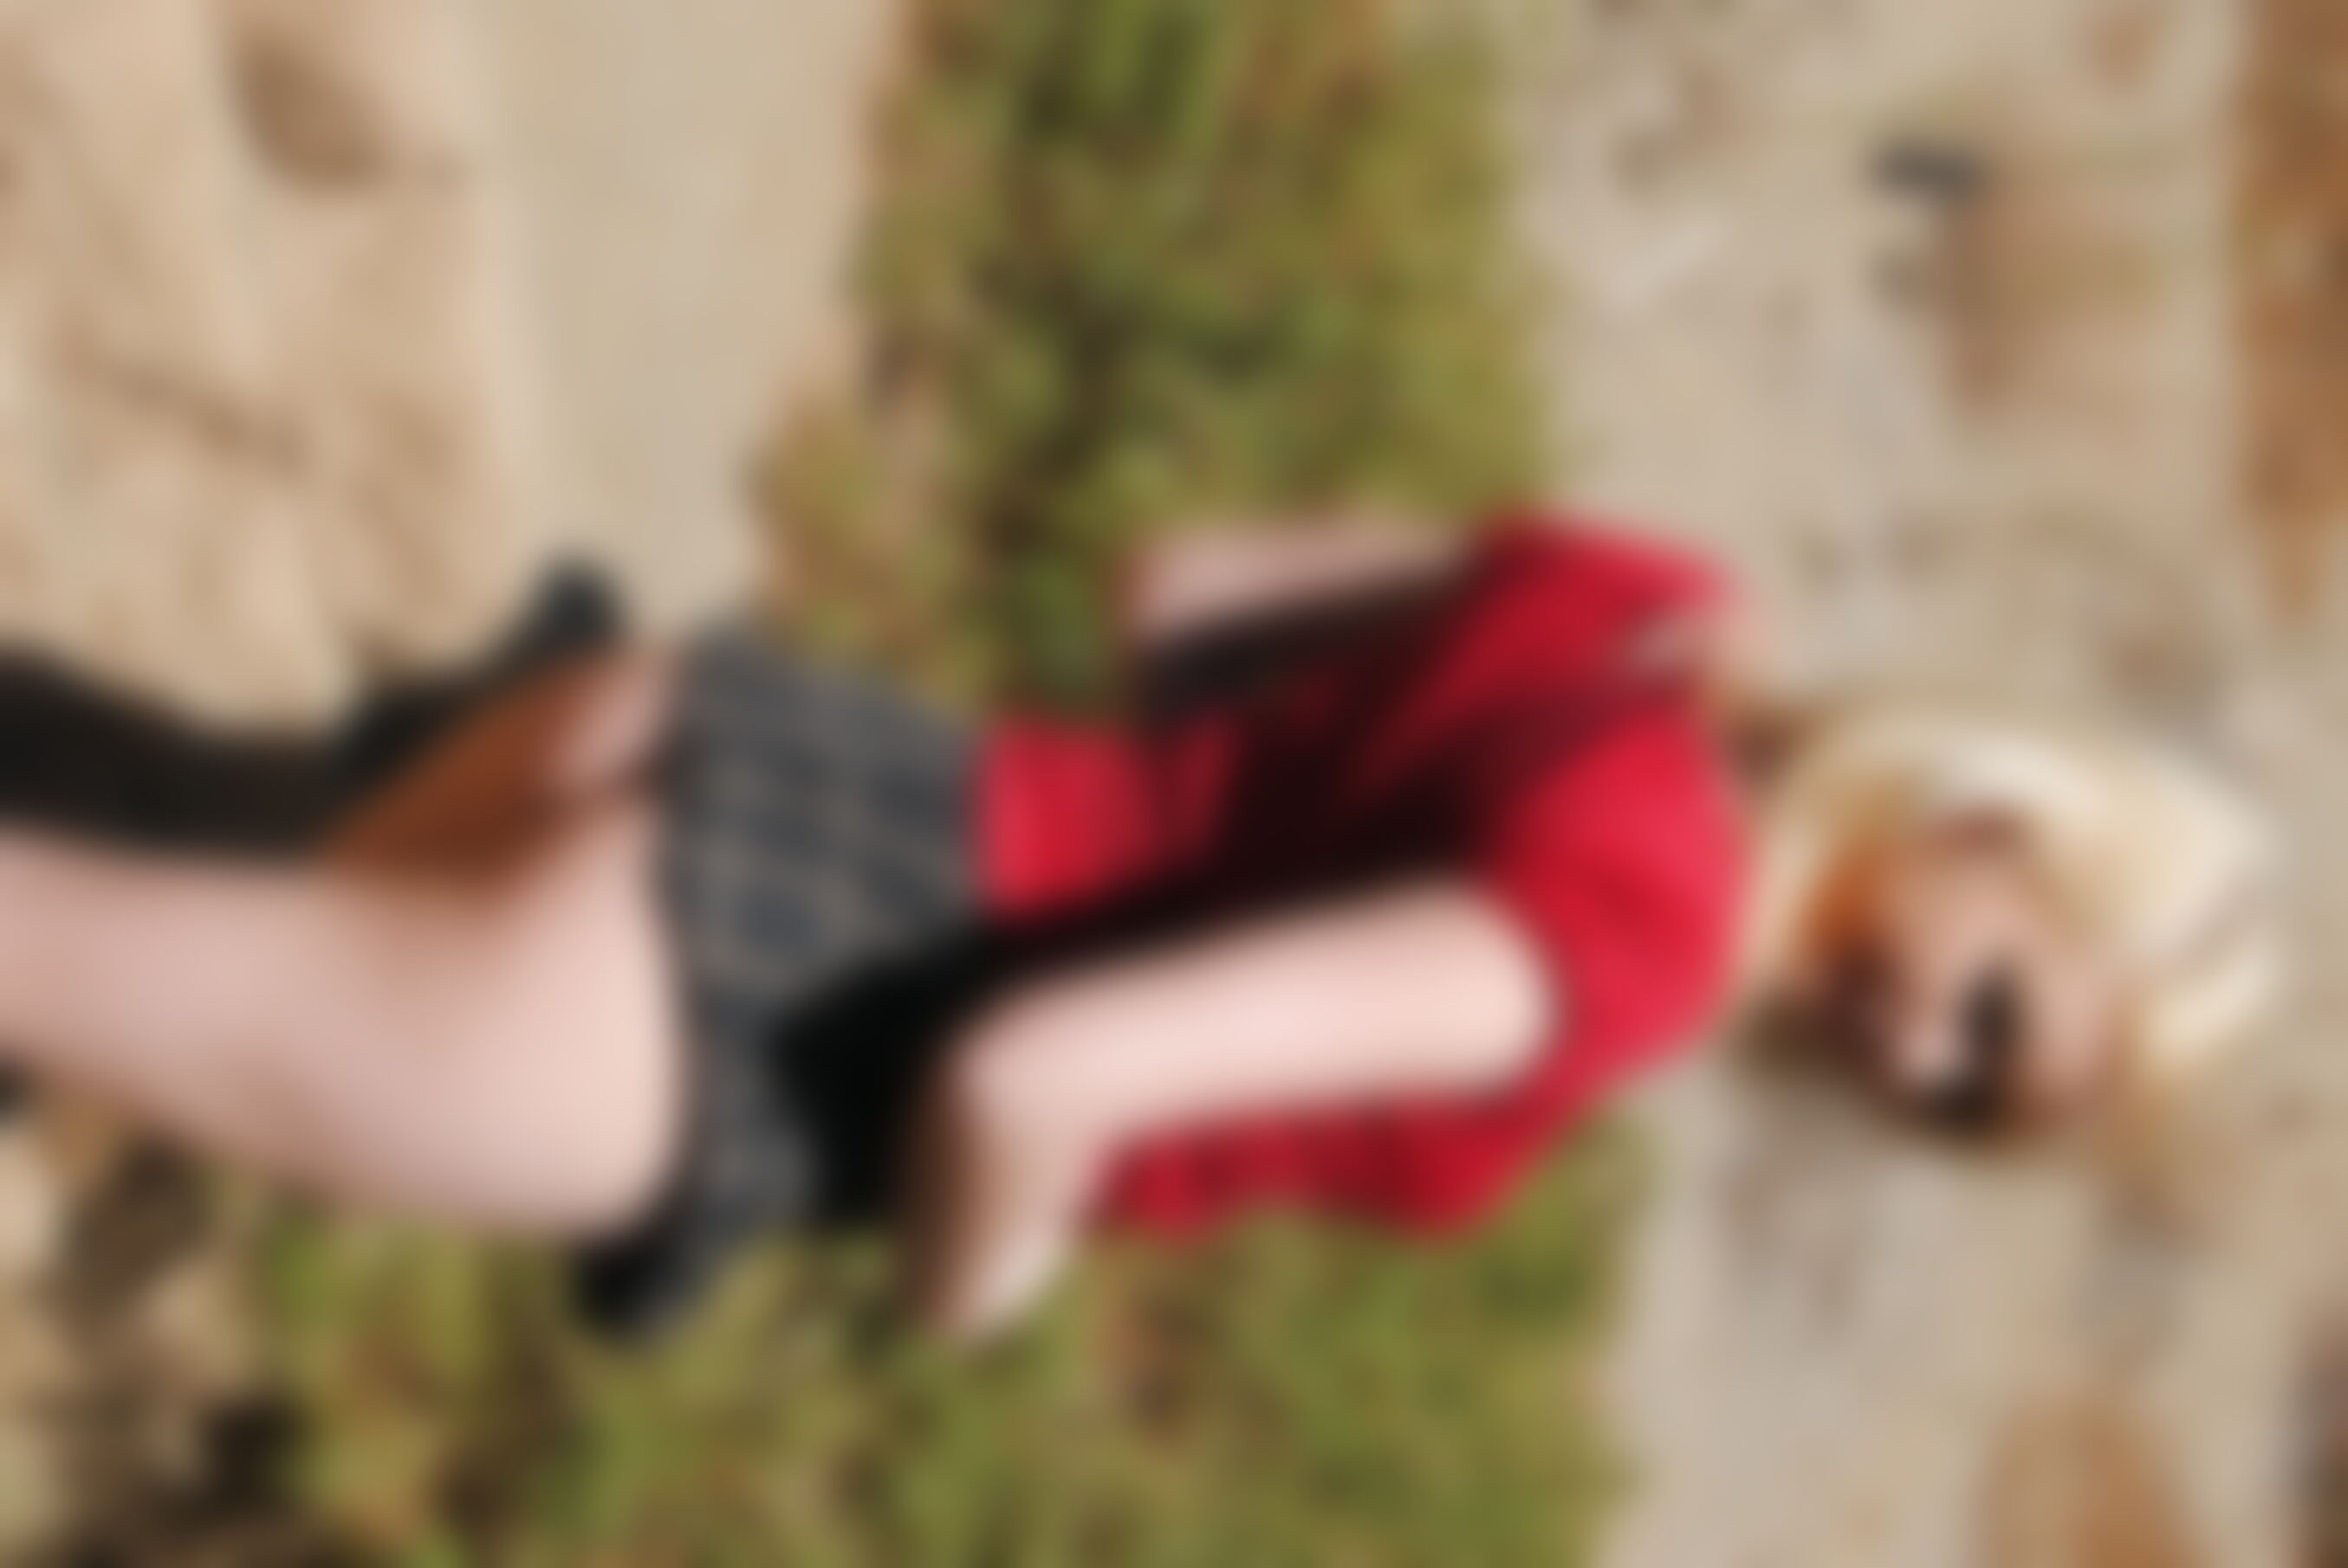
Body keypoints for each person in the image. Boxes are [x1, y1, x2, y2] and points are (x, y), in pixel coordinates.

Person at [0, 516, 2278, 1343]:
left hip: (765, 742)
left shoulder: (1668, 608)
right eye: (1997, 1010)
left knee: (125, 961)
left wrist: (1238, 829)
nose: (1922, 1061)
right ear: (2003, 818)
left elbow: (1180, 600)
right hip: (774, 1009)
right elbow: (1036, 1076)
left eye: (1965, 1106)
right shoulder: (1642, 945)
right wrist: (968, 1285)